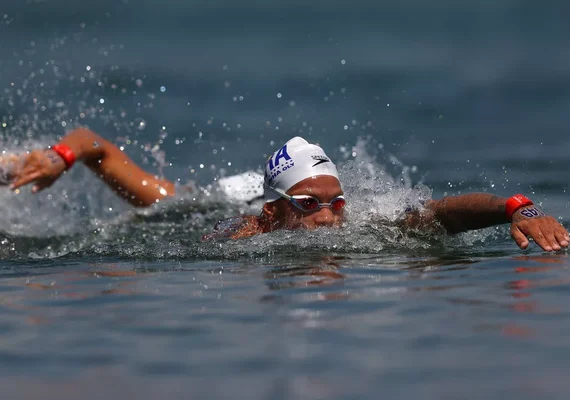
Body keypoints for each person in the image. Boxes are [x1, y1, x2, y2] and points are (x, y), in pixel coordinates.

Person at [4, 127, 569, 252]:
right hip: (216, 203)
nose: (328, 217)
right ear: (276, 214)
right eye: (309, 204)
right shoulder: (223, 226)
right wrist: (62, 156)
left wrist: (515, 207)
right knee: (157, 204)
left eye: (335, 202)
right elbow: (94, 142)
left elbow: (440, 212)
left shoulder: (362, 220)